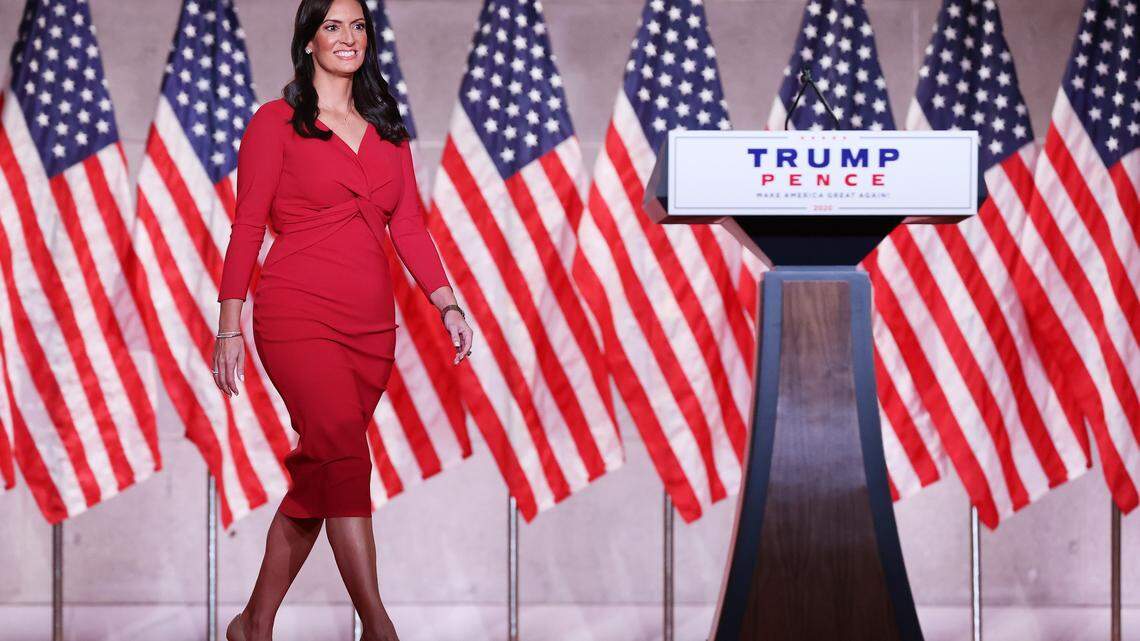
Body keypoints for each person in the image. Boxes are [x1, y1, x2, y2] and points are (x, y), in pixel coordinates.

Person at [211, 1, 473, 639]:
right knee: (347, 459)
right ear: (308, 42)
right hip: (296, 313)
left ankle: (252, 625)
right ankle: (381, 628)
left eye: (358, 26)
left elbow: (408, 226)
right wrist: (229, 322)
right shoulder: (275, 123)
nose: (348, 37)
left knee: (322, 470)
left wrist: (447, 301)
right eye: (332, 26)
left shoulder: (388, 131)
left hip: (370, 327)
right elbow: (248, 224)